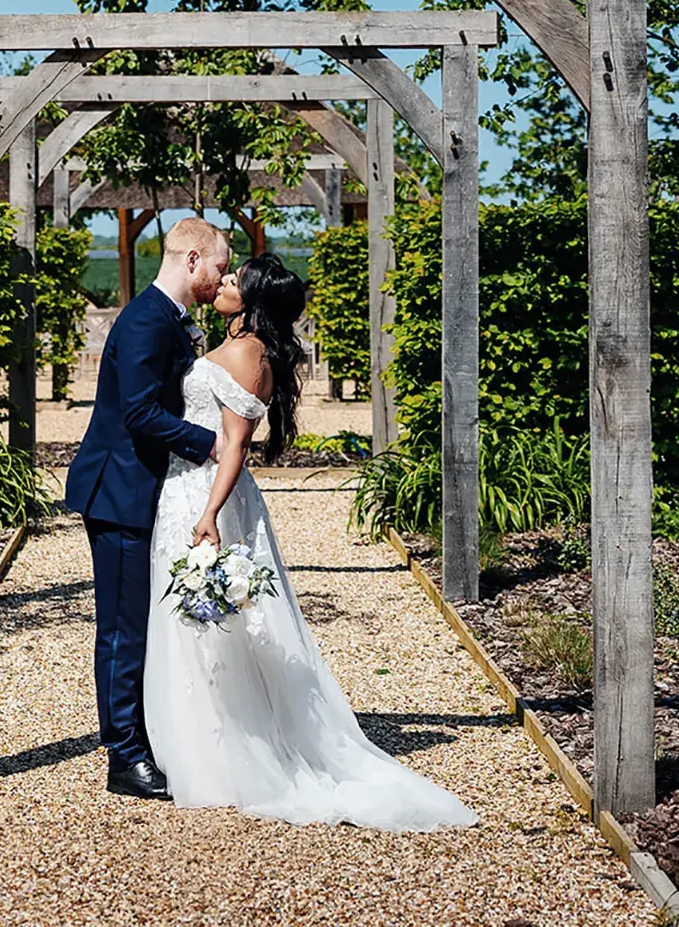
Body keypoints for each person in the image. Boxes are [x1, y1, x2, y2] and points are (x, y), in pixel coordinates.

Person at [142, 253, 479, 831]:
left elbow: (235, 444)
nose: (222, 283)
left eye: (233, 280)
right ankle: (201, 742)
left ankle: (225, 756)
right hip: (185, 487)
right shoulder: (238, 344)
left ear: (250, 300)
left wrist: (209, 514)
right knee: (195, 623)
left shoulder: (249, 356)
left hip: (206, 493)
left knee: (218, 622)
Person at [64, 216, 229, 800]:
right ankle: (124, 756)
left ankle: (145, 736)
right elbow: (137, 413)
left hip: (145, 489)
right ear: (190, 259)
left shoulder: (169, 319)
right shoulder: (144, 321)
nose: (222, 275)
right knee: (122, 629)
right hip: (118, 492)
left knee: (142, 623)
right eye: (217, 265)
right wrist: (208, 443)